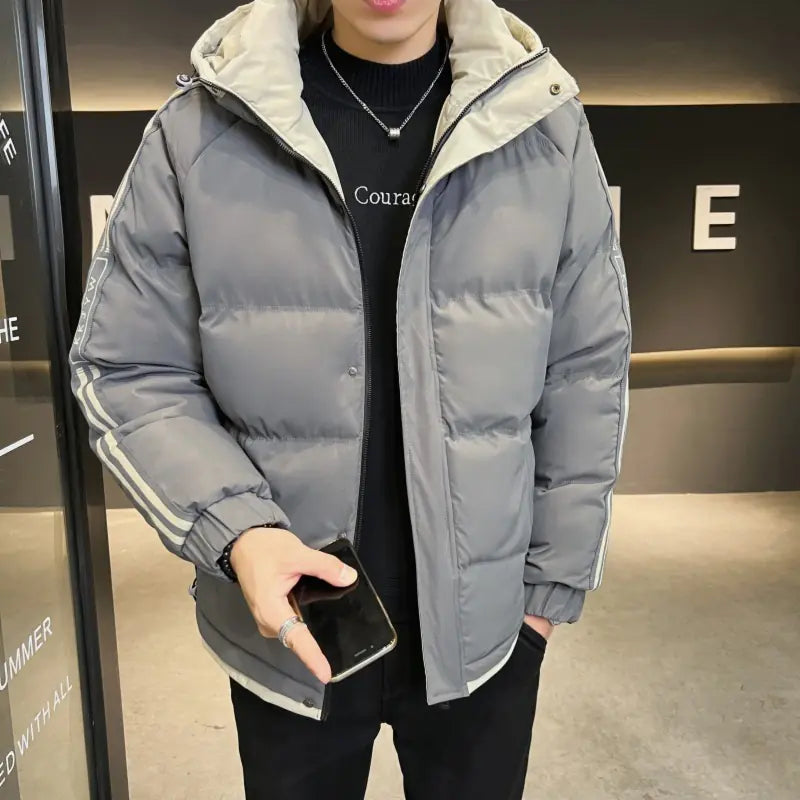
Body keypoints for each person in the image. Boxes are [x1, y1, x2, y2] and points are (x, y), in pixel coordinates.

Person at [68, 0, 632, 796]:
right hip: (289, 625)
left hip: (491, 631)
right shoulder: (200, 131)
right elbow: (127, 367)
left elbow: (586, 369)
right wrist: (239, 532)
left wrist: (548, 593)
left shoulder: (544, 127)